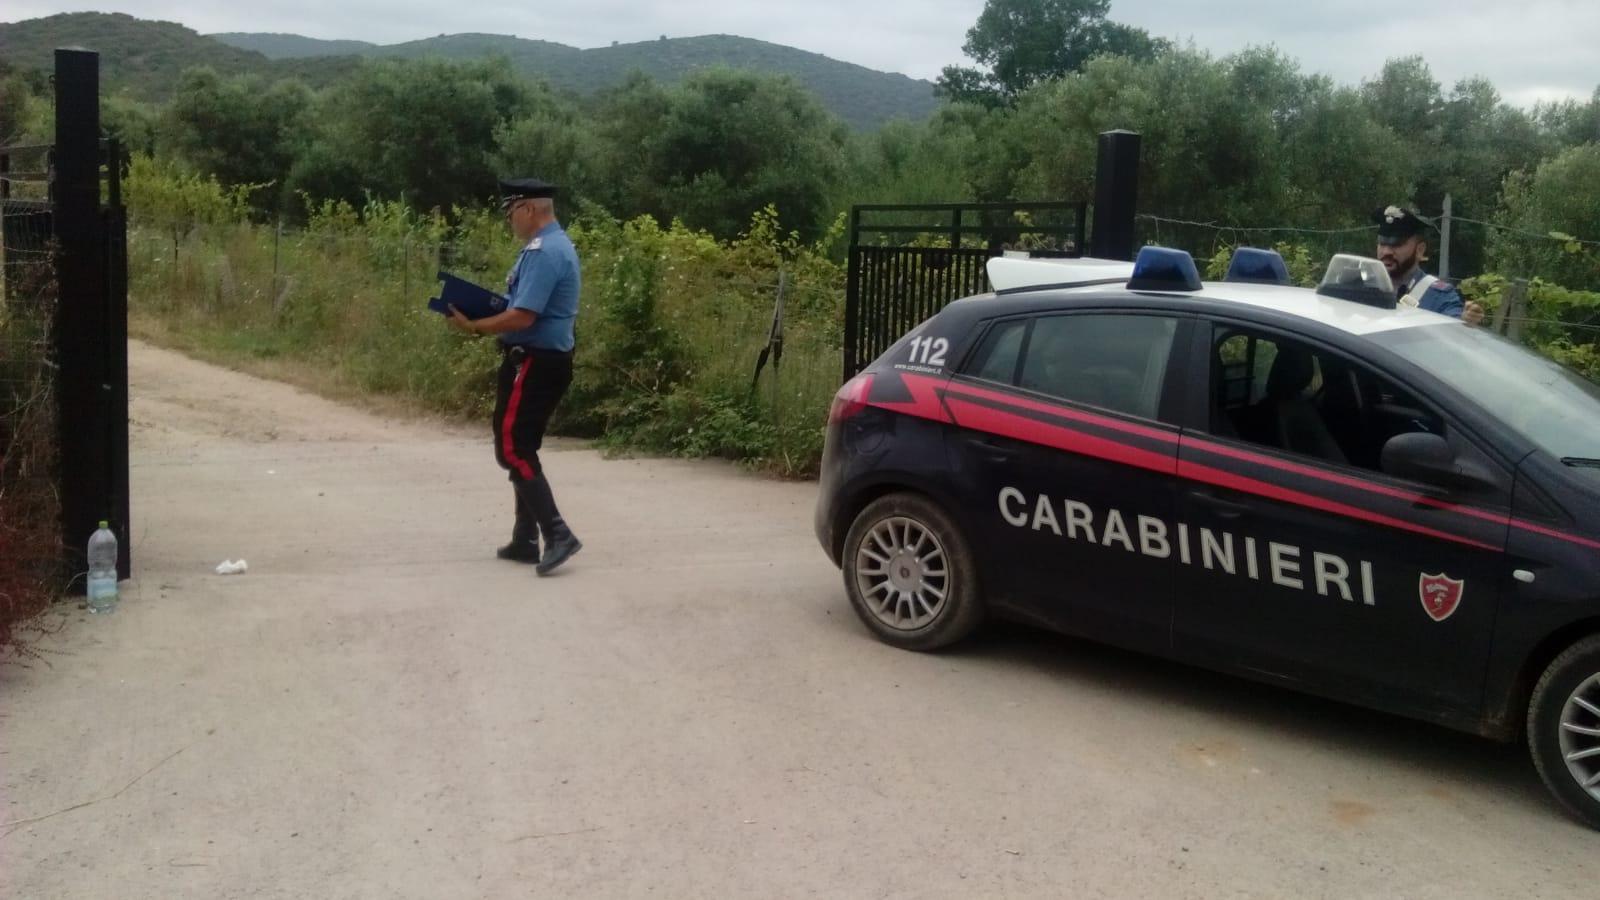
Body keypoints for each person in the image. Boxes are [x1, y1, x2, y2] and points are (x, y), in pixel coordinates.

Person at [446, 178, 582, 576]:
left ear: (528, 209)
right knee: (523, 447)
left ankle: (558, 533)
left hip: (536, 362)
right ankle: (526, 538)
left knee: (512, 449)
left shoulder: (545, 252)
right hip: (538, 358)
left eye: (510, 213)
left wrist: (475, 325)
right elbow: (520, 305)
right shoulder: (548, 248)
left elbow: (524, 316)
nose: (509, 221)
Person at [1374, 205, 1485, 325]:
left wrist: (1464, 321)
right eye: (1382, 244)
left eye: (1396, 245)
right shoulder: (1361, 284)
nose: (1386, 252)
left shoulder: (1439, 296)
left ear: (1420, 250)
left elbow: (1453, 326)